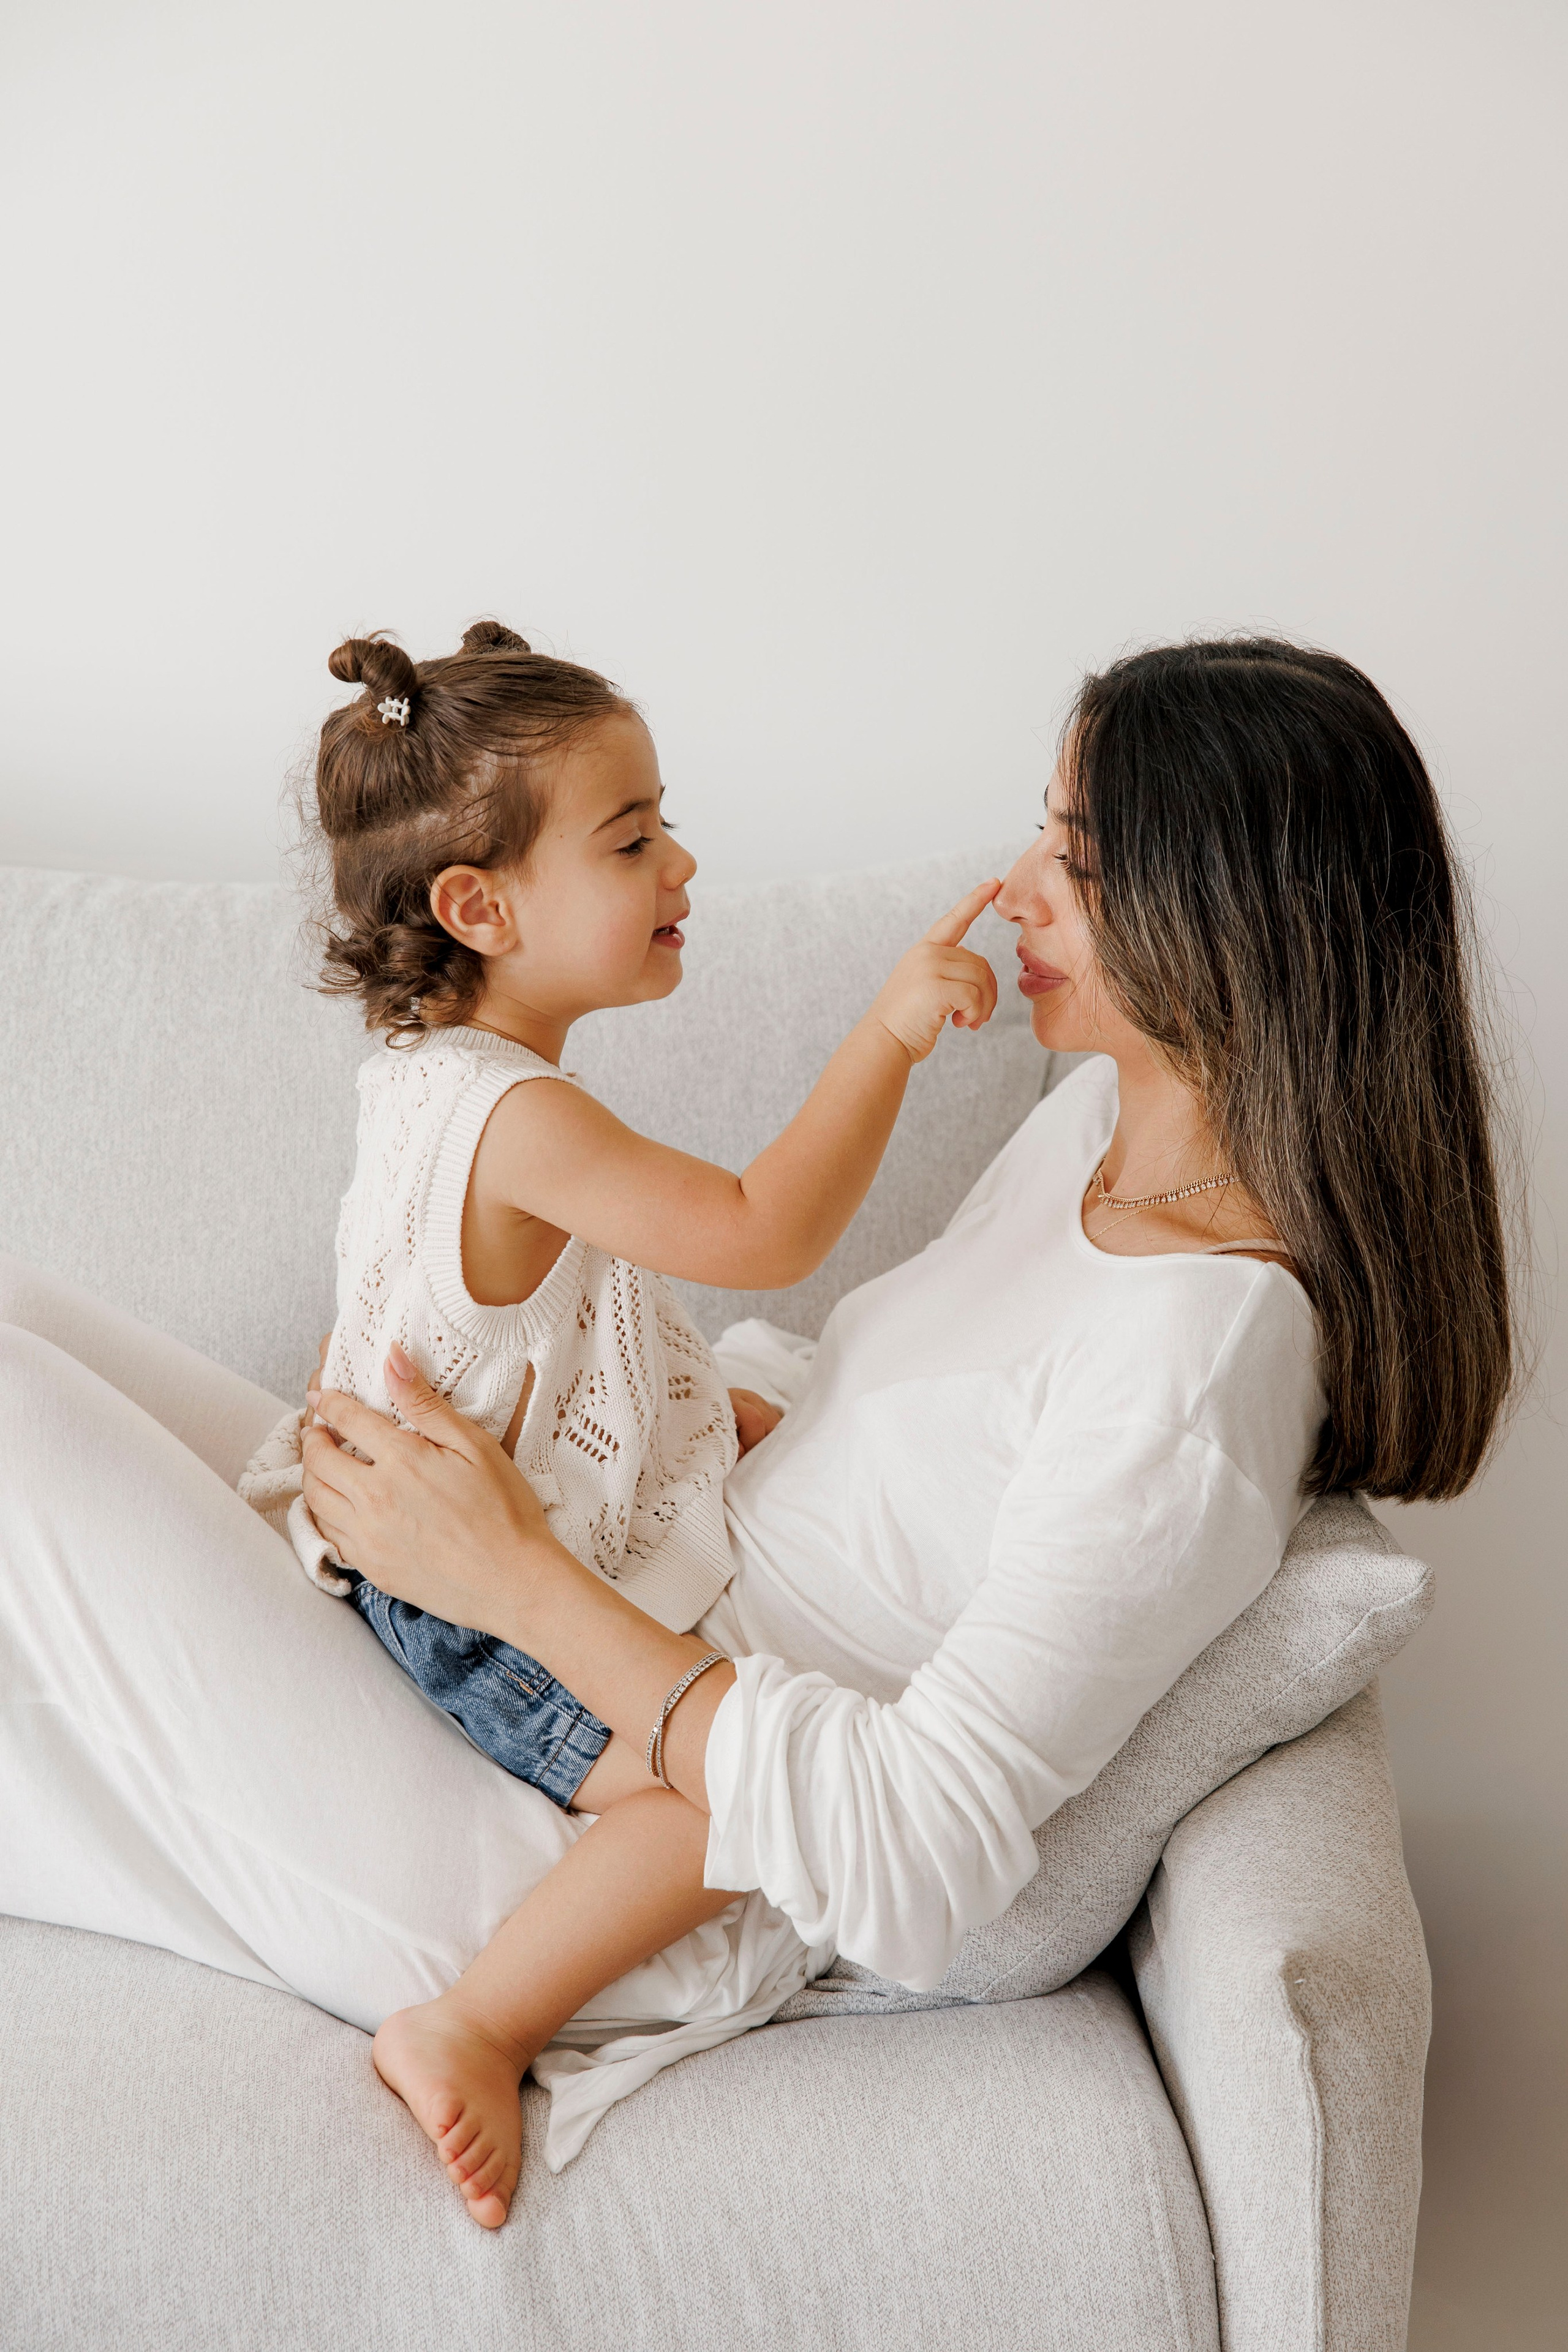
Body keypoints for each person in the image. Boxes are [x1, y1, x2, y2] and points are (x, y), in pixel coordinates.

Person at [0, 639, 1515, 2231]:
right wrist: (665, 1418)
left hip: (599, 1836)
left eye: (1073, 856)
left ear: (1231, 907)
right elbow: (870, 1379)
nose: (1015, 890)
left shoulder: (1203, 1367)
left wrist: (516, 1580)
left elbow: (924, 1843)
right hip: (612, 1573)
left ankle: (478, 2015)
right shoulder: (1101, 1128)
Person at [239, 617, 1000, 2226]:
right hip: (469, 1601)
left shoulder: (431, 1074)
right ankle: (476, 2025)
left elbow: (450, 1303)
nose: (682, 863)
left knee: (754, 1386)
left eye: (668, 822)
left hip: (451, 1509)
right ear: (481, 906)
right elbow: (757, 1230)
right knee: (730, 1803)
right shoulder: (522, 1117)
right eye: (634, 837)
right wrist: (889, 1033)